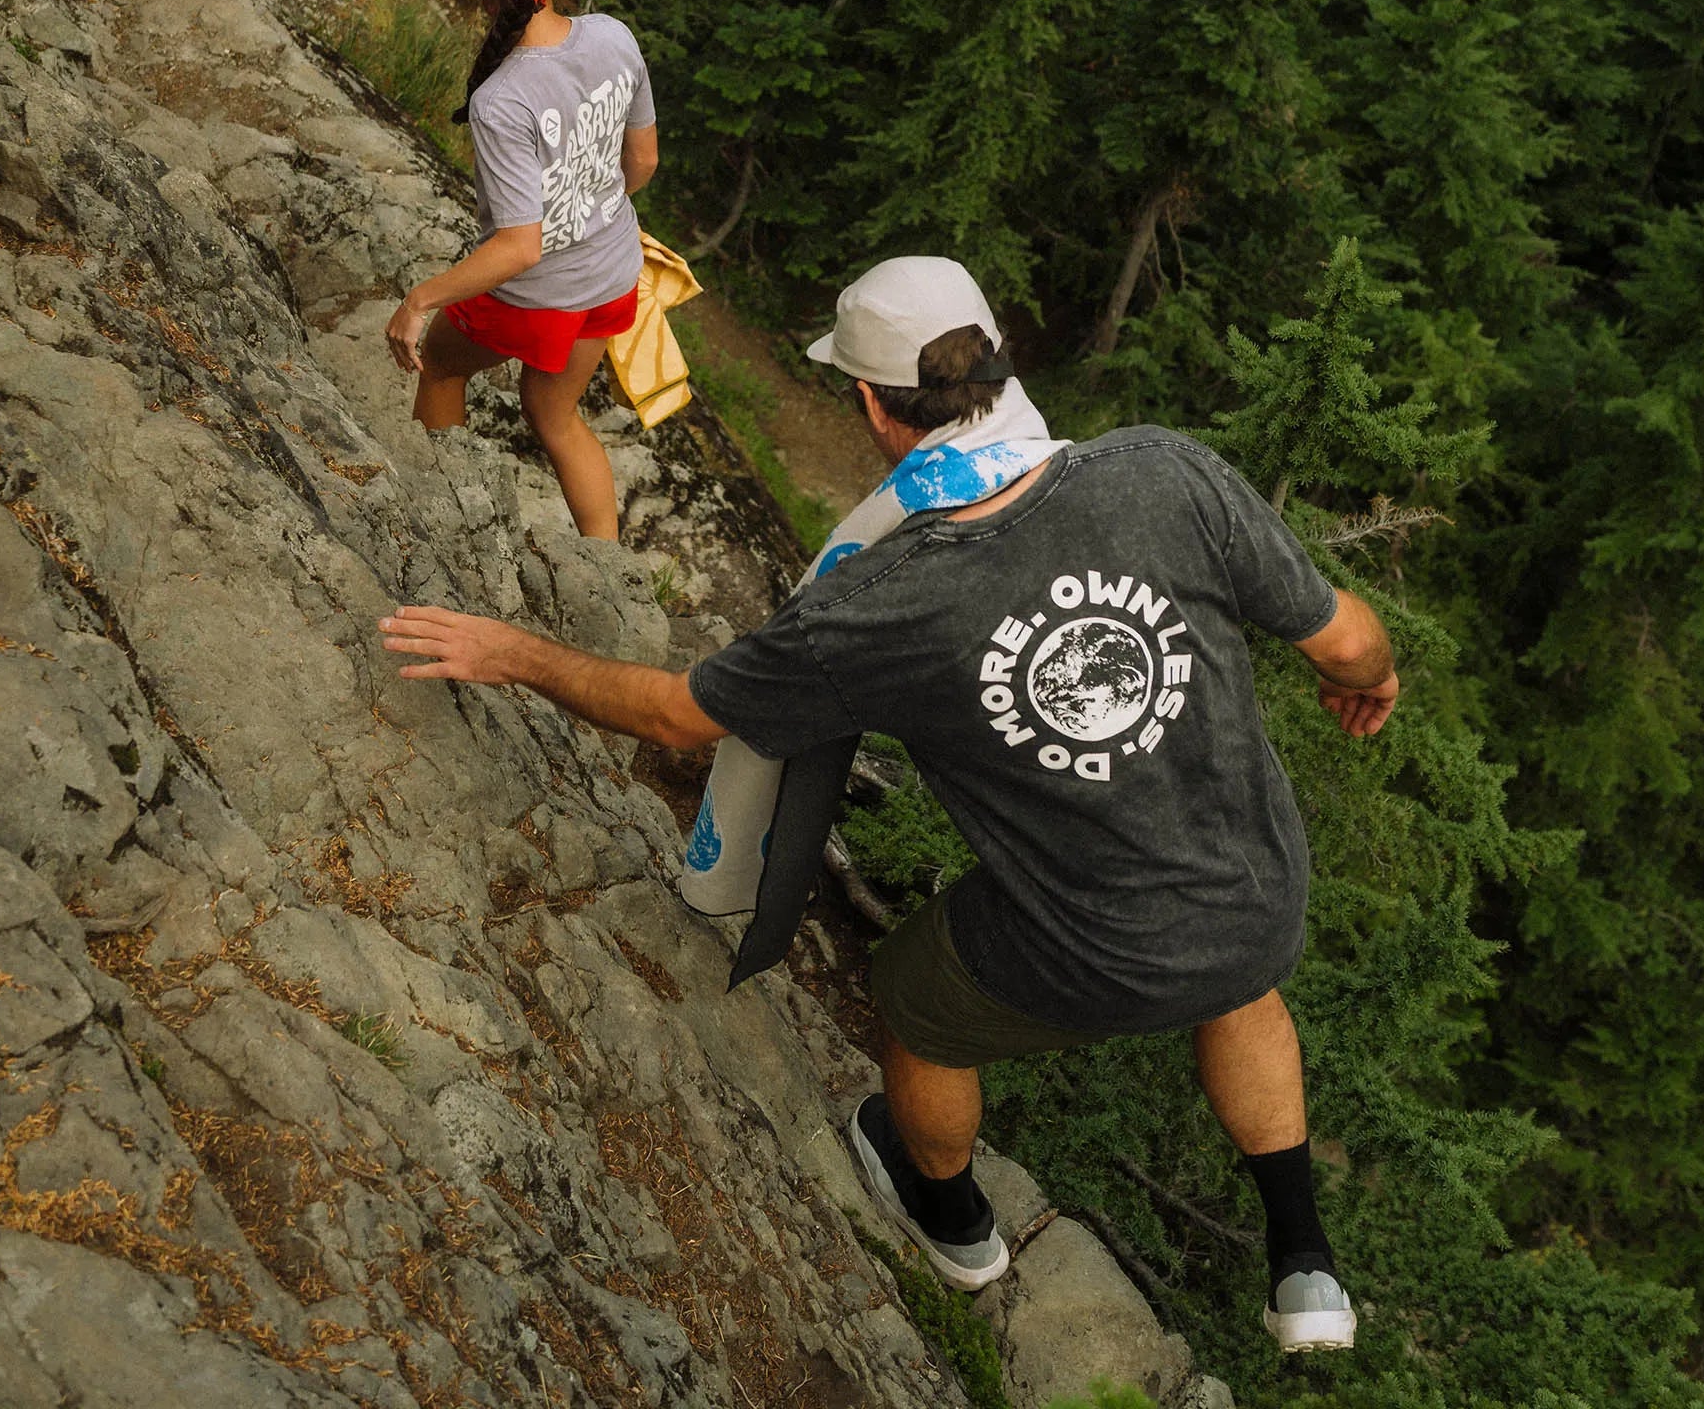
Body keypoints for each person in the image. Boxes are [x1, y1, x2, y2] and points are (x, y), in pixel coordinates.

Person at [379, 255, 1399, 1356]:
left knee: (913, 999)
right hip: (1253, 885)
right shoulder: (1164, 473)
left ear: (869, 402)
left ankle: (956, 1226)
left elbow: (679, 715)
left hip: (1094, 939)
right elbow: (1344, 639)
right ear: (994, 356)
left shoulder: (878, 599)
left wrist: (511, 648)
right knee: (1239, 980)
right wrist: (1366, 678)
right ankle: (1302, 1265)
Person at [386, 0, 659, 541]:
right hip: (614, 273)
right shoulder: (614, 36)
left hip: (539, 295)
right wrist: (593, 210)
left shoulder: (501, 99)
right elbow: (641, 162)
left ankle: (445, 525)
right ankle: (610, 568)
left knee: (443, 366)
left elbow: (518, 249)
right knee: (554, 416)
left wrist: (418, 300)